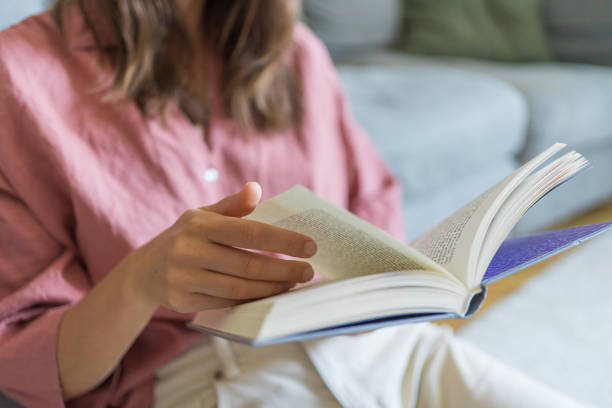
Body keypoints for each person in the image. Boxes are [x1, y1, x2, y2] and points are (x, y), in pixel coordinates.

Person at [0, 1, 583, 407]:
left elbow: (373, 212)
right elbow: (33, 370)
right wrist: (141, 281)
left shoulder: (298, 54)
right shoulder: (18, 78)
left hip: (388, 351)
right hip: (204, 379)